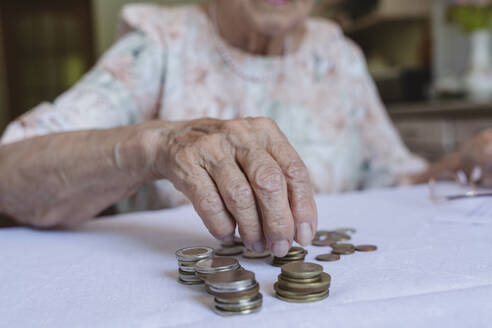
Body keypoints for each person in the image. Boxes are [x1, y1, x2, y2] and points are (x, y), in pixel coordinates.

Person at [0, 0, 485, 257]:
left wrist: (461, 165)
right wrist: (154, 143)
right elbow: (11, 174)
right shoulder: (161, 43)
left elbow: (394, 177)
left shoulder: (337, 53)